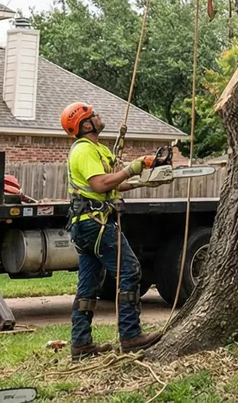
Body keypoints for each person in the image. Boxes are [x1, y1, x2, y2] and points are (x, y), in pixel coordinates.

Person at [61, 102, 162, 360]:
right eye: (93, 115)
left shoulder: (99, 150)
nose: (98, 116)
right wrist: (131, 169)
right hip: (94, 222)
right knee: (130, 270)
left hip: (87, 224)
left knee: (89, 284)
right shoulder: (83, 150)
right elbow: (99, 184)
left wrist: (142, 180)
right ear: (85, 125)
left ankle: (81, 344)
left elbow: (112, 184)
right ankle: (130, 336)